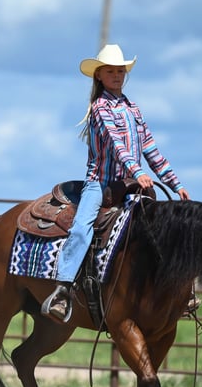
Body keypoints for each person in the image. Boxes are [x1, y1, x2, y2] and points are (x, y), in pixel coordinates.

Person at [41, 44, 191, 323]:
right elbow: (117, 144)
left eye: (120, 70)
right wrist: (137, 171)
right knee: (83, 228)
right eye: (110, 70)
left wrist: (174, 183)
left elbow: (150, 148)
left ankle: (172, 291)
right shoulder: (99, 108)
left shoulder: (132, 108)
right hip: (100, 184)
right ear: (99, 75)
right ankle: (62, 290)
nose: (117, 75)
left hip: (131, 184)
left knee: (160, 229)